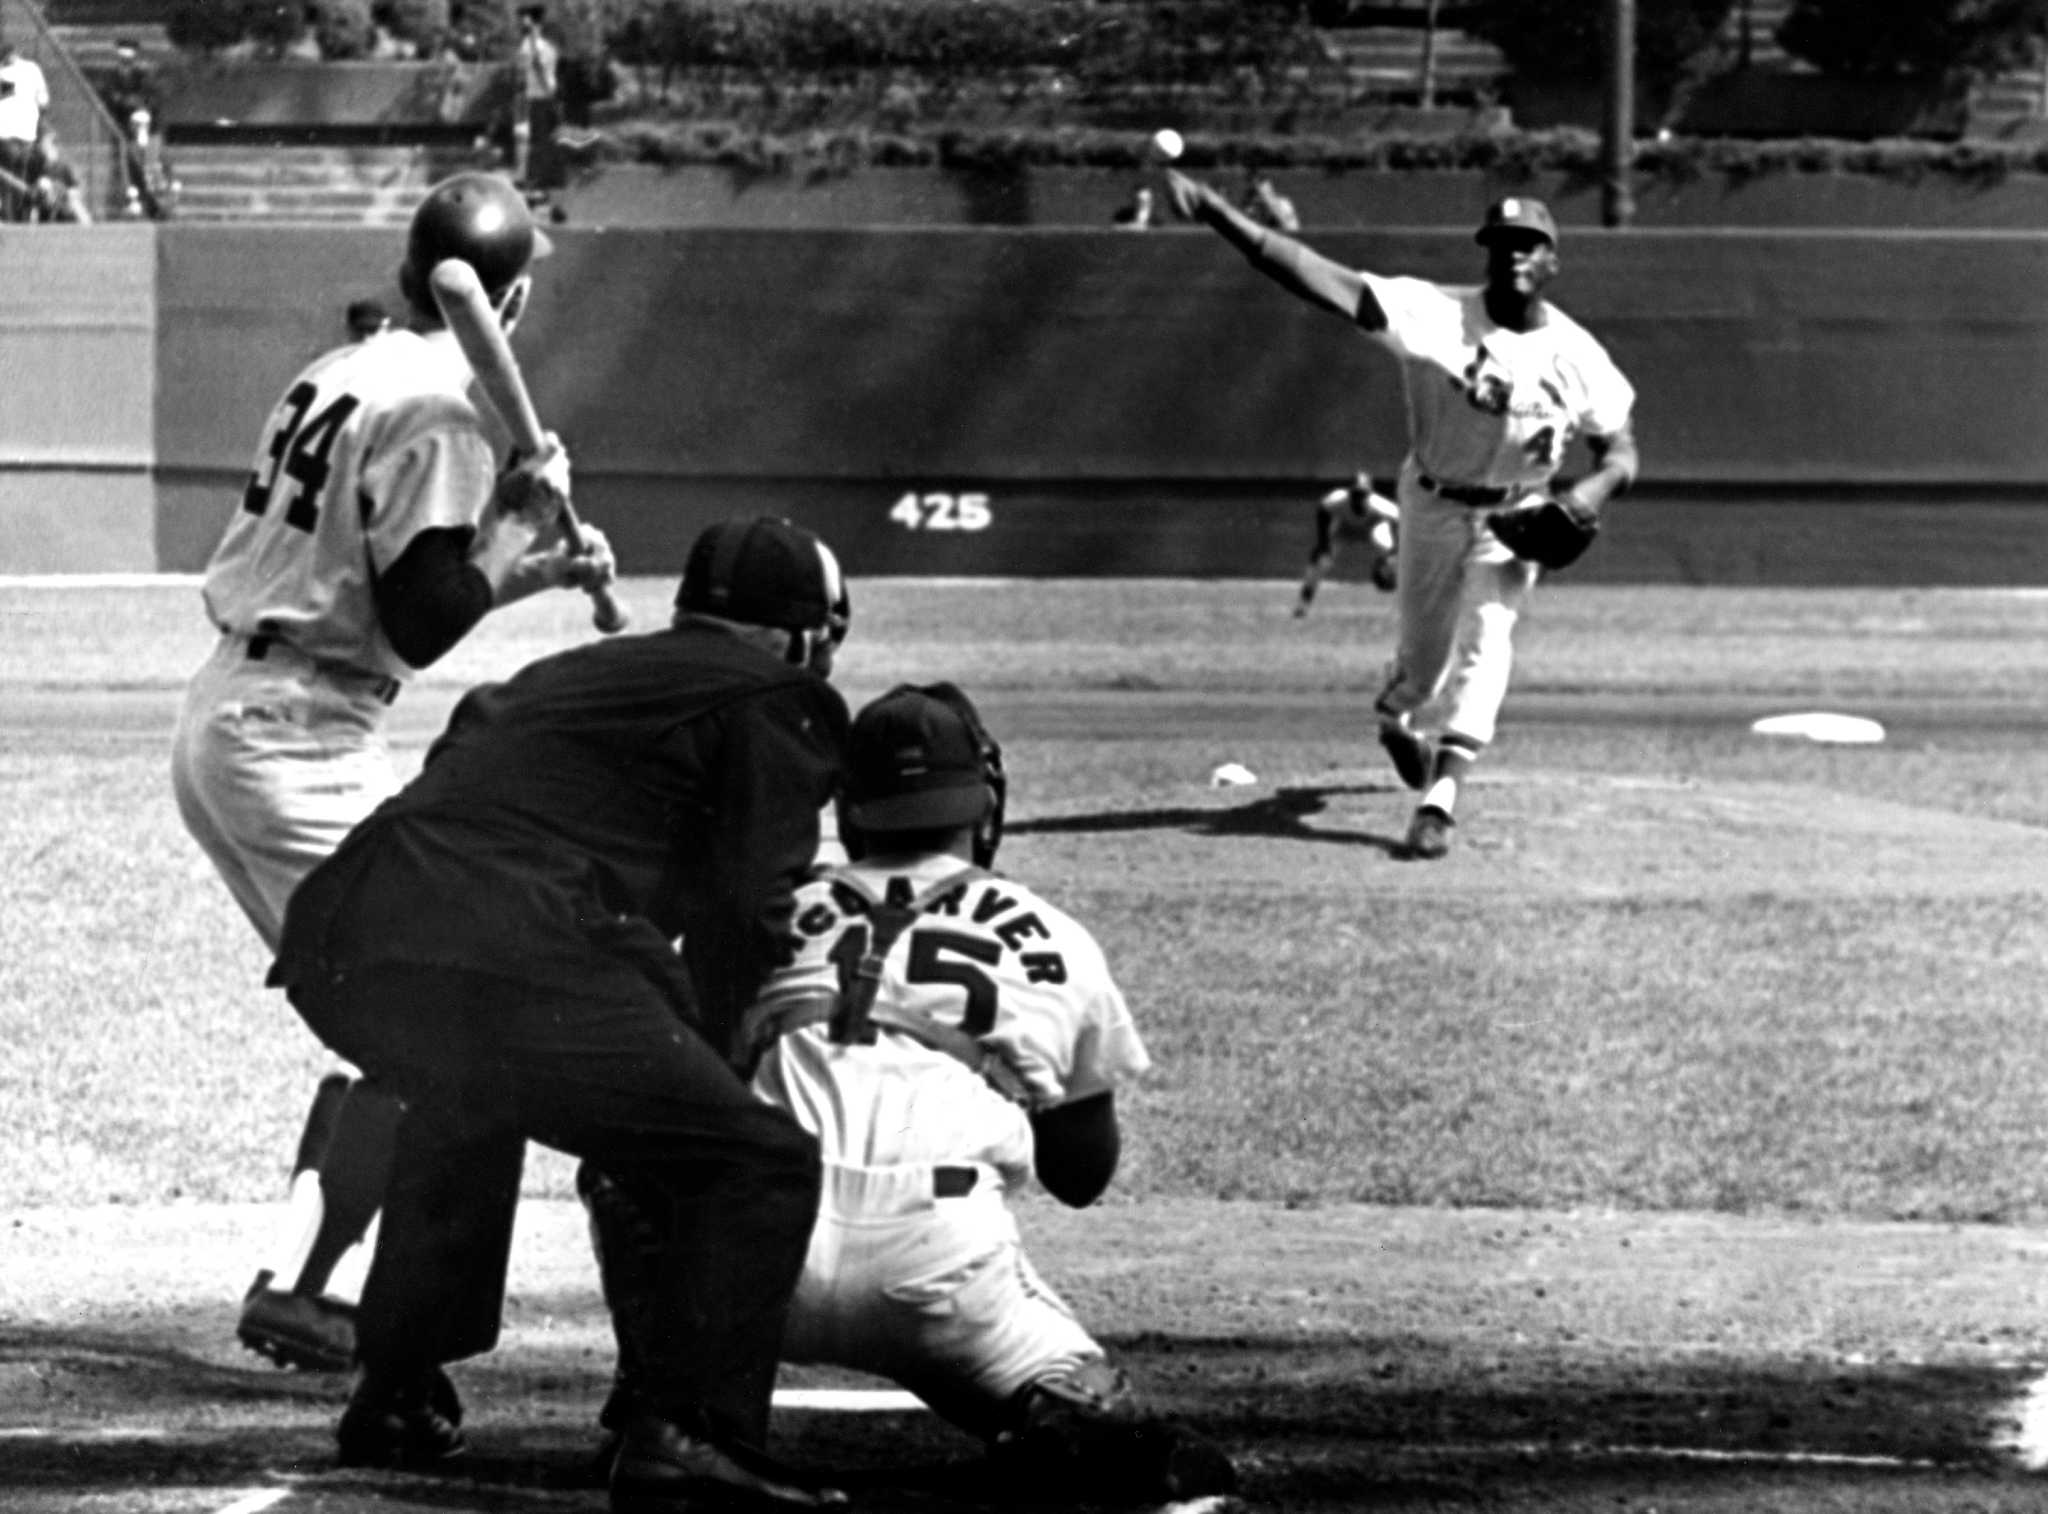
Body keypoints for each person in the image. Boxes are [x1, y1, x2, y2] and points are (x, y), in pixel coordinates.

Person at [269, 515, 854, 1513]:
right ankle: (689, 1429)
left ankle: (395, 1387)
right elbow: (741, 917)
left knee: (467, 1088)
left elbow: (469, 765)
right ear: (801, 637)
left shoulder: (563, 676)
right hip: (507, 929)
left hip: (346, 926)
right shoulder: (782, 694)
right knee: (752, 1161)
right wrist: (705, 1090)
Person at [169, 170, 614, 1376]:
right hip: (296, 735)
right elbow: (419, 618)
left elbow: (397, 579)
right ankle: (323, 1293)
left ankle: (306, 1283)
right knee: (455, 1009)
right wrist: (518, 533)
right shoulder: (444, 410)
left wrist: (525, 555)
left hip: (253, 709)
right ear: (506, 301)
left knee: (420, 1007)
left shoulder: (347, 368)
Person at [586, 683, 1237, 1505]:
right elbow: (1083, 1175)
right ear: (983, 806)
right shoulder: (1053, 936)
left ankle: (668, 1412)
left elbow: (687, 1095)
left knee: (626, 1163)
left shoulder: (762, 913)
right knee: (1103, 1418)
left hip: (754, 1261)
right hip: (943, 1270)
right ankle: (1057, 1429)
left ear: (852, 809)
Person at [1163, 176, 1638, 860]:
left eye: (1529, 245)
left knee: (1488, 640)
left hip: (1517, 514)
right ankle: (1395, 713)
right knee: (1424, 662)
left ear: (1553, 261)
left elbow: (1622, 449)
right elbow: (1310, 274)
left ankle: (1439, 801)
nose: (1513, 256)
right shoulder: (1435, 314)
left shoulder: (1579, 355)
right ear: (1485, 254)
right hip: (1435, 502)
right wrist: (1215, 212)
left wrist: (1591, 493)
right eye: (1500, 244)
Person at [1295, 471, 1400, 616]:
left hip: (1373, 525)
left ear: (1369, 495)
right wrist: (1323, 544)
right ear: (1349, 493)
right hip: (1345, 528)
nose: (1358, 499)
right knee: (1321, 561)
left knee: (1391, 555)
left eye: (1362, 495)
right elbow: (1323, 510)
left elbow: (1403, 522)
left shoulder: (1380, 505)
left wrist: (1392, 556)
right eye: (1356, 494)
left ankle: (1402, 603)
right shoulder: (1338, 499)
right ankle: (1302, 605)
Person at [0, 28, 49, 222]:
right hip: (27, 134)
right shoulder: (33, 69)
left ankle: (10, 216)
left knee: (8, 178)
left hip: (5, 134)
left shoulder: (3, 73)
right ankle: (20, 216)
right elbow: (44, 101)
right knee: (21, 175)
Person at [512, 3, 562, 192]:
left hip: (533, 97)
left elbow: (531, 68)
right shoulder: (546, 45)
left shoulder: (531, 45)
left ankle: (533, 178)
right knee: (540, 138)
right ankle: (539, 177)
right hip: (543, 95)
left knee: (530, 138)